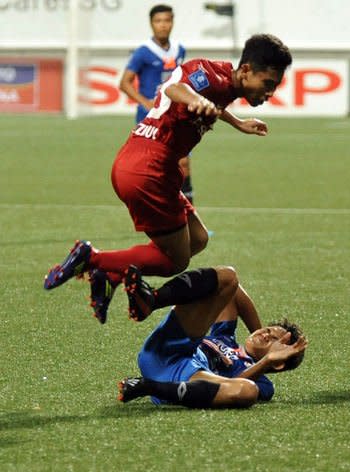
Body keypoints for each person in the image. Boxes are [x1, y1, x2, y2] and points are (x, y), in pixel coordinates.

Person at [43, 34, 292, 325]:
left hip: (147, 164)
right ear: (247, 70)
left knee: (197, 240)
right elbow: (174, 88)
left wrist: (238, 124)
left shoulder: (226, 79)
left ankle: (110, 273)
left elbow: (213, 101)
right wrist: (196, 98)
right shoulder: (210, 77)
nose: (270, 93)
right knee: (175, 261)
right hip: (149, 171)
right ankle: (94, 260)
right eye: (268, 84)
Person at [117, 265, 308, 408]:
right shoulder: (225, 336)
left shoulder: (264, 384)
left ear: (279, 363)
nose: (266, 334)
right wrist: (258, 331)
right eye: (268, 330)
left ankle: (148, 387)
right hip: (162, 352)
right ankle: (152, 300)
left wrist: (267, 361)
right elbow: (235, 290)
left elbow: (235, 384)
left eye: (274, 340)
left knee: (247, 390)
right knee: (228, 277)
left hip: (184, 379)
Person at [119, 4, 194, 205]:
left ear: (172, 22)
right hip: (151, 118)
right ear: (151, 24)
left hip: (175, 114)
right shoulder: (143, 52)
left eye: (167, 20)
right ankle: (158, 212)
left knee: (184, 163)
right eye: (158, 21)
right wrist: (146, 103)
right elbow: (124, 83)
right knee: (154, 166)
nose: (163, 25)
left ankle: (189, 217)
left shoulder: (179, 50)